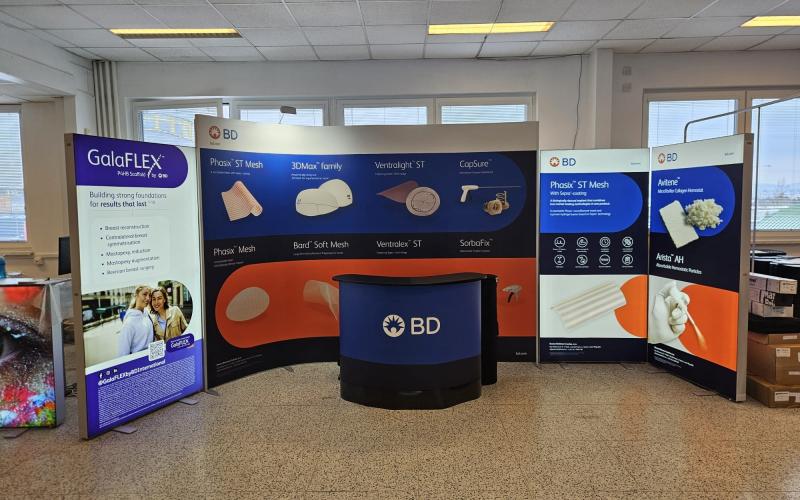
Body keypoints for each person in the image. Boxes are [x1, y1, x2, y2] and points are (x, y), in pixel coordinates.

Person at [117, 285, 154, 357]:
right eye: (144, 294)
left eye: (149, 295)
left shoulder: (147, 315)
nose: (148, 298)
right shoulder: (129, 323)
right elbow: (123, 354)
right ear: (136, 295)